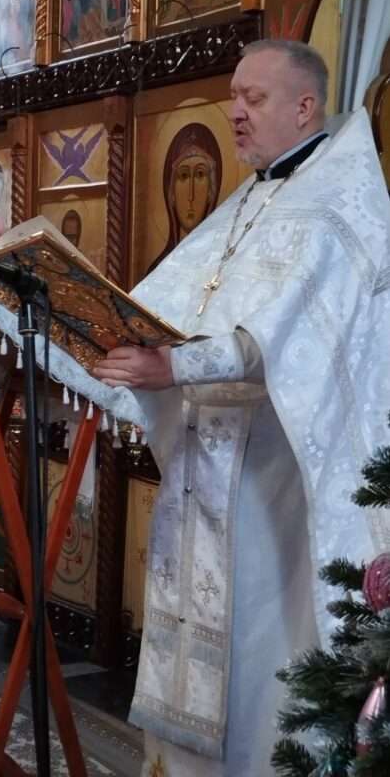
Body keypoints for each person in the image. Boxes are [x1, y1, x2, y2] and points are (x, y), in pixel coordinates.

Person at [94, 39, 390, 776]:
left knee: (263, 651)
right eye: (233, 96)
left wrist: (172, 366)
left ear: (305, 106)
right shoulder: (250, 200)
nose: (234, 112)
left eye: (252, 98)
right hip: (205, 469)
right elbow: (170, 308)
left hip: (276, 484)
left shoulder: (338, 204)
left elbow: (279, 338)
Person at [148, 122, 222, 273]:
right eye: (183, 176)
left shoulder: (221, 268)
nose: (191, 196)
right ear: (171, 192)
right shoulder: (157, 271)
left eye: (200, 174)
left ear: (212, 189)